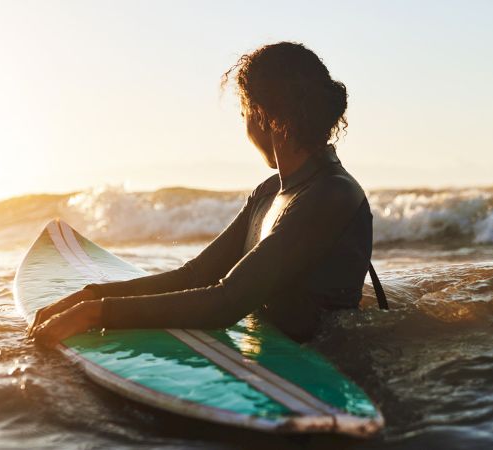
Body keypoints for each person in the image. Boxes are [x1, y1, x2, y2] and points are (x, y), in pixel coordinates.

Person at [30, 41, 387, 347]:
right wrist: (93, 295)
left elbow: (226, 302)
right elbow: (196, 276)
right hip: (276, 350)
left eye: (244, 112)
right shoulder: (269, 192)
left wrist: (98, 314)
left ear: (262, 115)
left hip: (332, 365)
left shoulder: (331, 194)